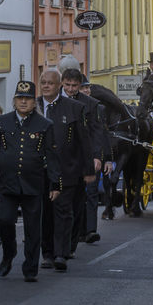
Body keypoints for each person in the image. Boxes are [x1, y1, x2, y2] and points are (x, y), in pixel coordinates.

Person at [0, 81, 61, 282]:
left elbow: (52, 157)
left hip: (33, 184)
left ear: (34, 102)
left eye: (27, 99)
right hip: (9, 184)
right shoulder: (2, 122)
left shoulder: (45, 125)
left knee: (33, 228)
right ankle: (8, 254)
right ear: (14, 101)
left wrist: (55, 184)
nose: (23, 102)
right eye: (20, 98)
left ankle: (30, 267)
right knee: (5, 221)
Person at [38, 69, 91, 272]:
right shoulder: (32, 106)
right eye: (43, 82)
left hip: (65, 170)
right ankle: (47, 253)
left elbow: (84, 141)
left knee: (63, 211)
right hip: (40, 172)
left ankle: (61, 253)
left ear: (59, 85)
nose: (45, 86)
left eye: (50, 83)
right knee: (44, 214)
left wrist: (87, 170)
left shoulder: (74, 108)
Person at [62, 69, 109, 250]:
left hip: (83, 157)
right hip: (62, 158)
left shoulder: (91, 105)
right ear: (62, 83)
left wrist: (97, 157)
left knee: (83, 197)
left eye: (75, 86)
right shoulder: (54, 101)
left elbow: (97, 133)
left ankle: (81, 234)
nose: (71, 89)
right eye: (68, 85)